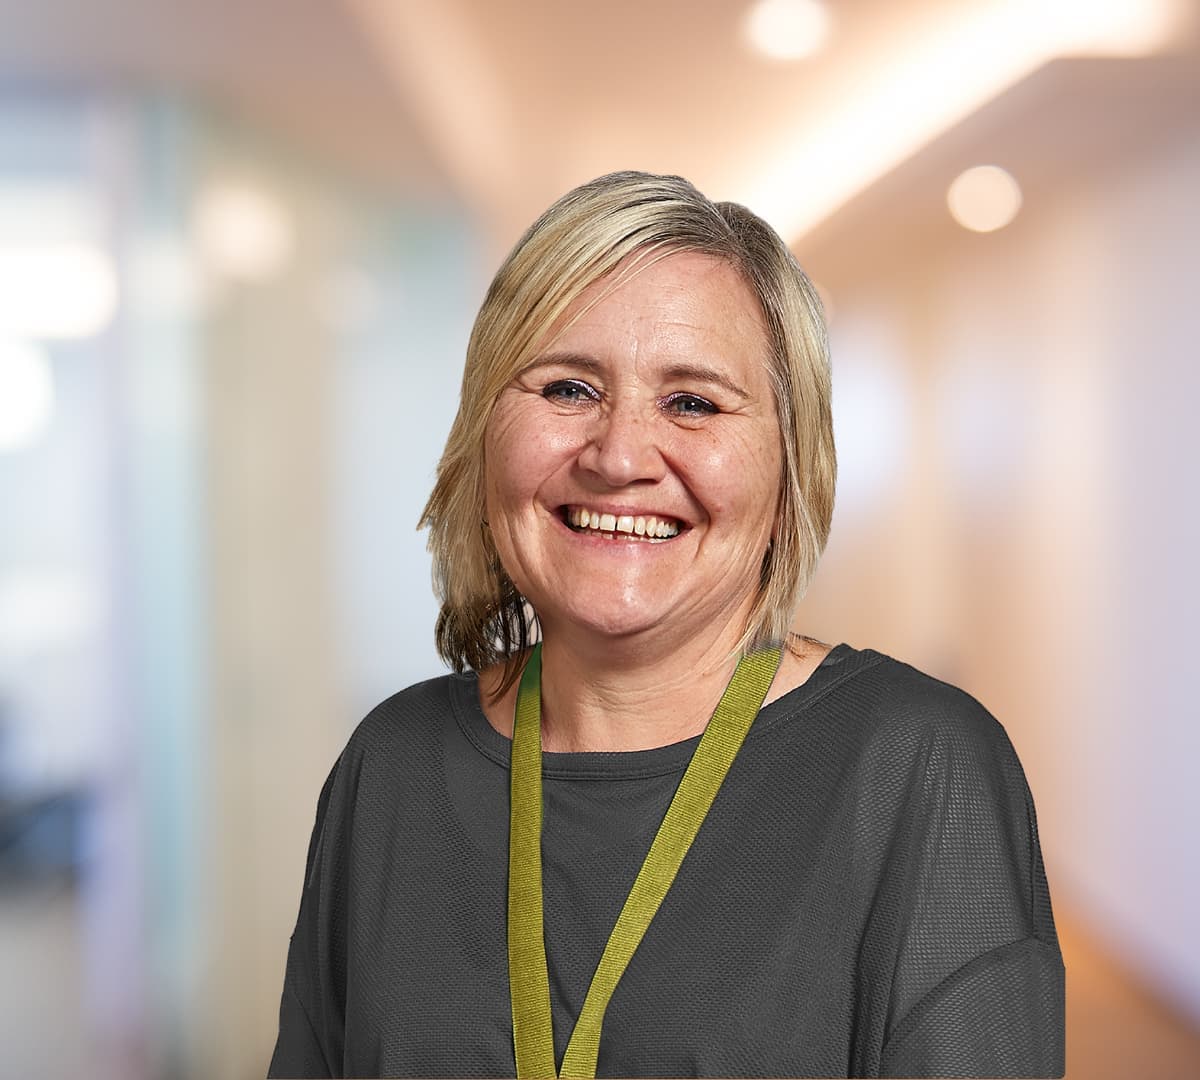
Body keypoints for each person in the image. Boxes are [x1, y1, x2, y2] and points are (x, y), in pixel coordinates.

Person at [268, 171, 1065, 1078]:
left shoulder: (916, 768)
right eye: (568, 387)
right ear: (485, 429)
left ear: (790, 460)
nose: (617, 456)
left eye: (692, 402)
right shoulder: (392, 766)